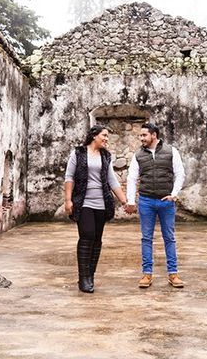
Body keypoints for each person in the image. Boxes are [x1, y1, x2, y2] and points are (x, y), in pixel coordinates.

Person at [64, 124, 128, 293]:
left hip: (102, 202)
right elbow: (69, 177)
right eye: (104, 135)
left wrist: (124, 201)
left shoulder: (106, 156)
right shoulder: (78, 153)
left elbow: (112, 180)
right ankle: (83, 278)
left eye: (107, 136)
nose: (106, 139)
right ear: (94, 136)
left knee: (97, 239)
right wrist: (68, 200)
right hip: (83, 201)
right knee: (87, 236)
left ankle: (90, 275)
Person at [126, 122, 186, 288]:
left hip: (165, 202)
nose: (141, 138)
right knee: (146, 238)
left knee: (169, 238)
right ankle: (147, 274)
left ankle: (173, 274)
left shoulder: (171, 151)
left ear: (154, 135)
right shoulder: (138, 155)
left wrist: (174, 195)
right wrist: (131, 201)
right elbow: (131, 178)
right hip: (146, 201)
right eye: (140, 135)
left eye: (144, 135)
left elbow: (180, 174)